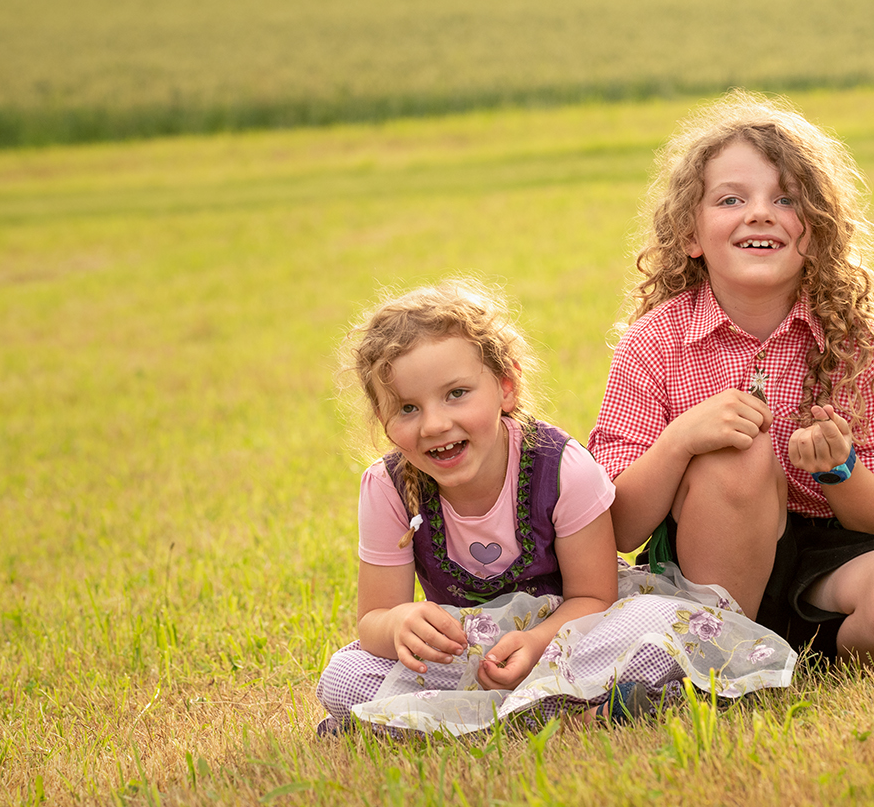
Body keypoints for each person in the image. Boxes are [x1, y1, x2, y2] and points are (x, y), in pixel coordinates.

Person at [589, 91, 874, 669]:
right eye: (730, 199)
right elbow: (618, 527)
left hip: (826, 560)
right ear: (690, 236)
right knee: (737, 454)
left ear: (818, 231)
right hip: (705, 574)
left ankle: (809, 656)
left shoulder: (854, 345)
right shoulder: (656, 342)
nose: (759, 213)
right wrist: (681, 440)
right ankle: (717, 663)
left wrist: (837, 468)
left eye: (786, 199)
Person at [316, 279, 795, 736]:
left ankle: (436, 721)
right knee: (345, 674)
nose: (435, 424)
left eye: (456, 394)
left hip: (573, 636)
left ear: (506, 387)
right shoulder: (388, 487)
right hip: (471, 652)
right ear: (383, 418)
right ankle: (567, 712)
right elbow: (374, 619)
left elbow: (594, 598)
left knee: (658, 623)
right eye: (407, 409)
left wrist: (537, 642)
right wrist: (400, 624)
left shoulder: (562, 467)